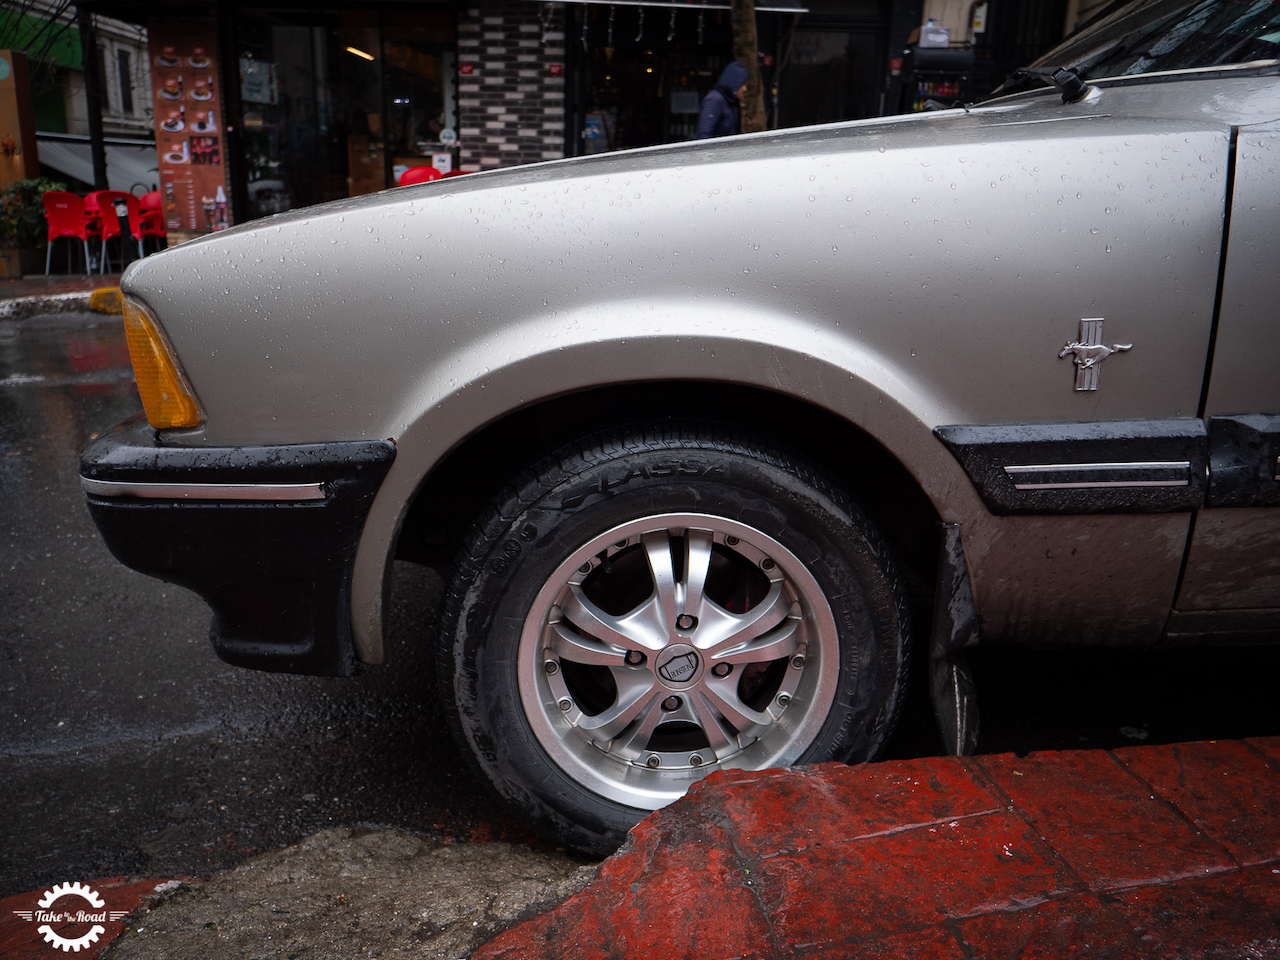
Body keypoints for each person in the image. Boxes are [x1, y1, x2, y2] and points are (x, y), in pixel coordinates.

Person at [694, 61, 749, 139]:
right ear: (735, 82)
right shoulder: (714, 100)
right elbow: (703, 134)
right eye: (743, 84)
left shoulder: (730, 101)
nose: (745, 89)